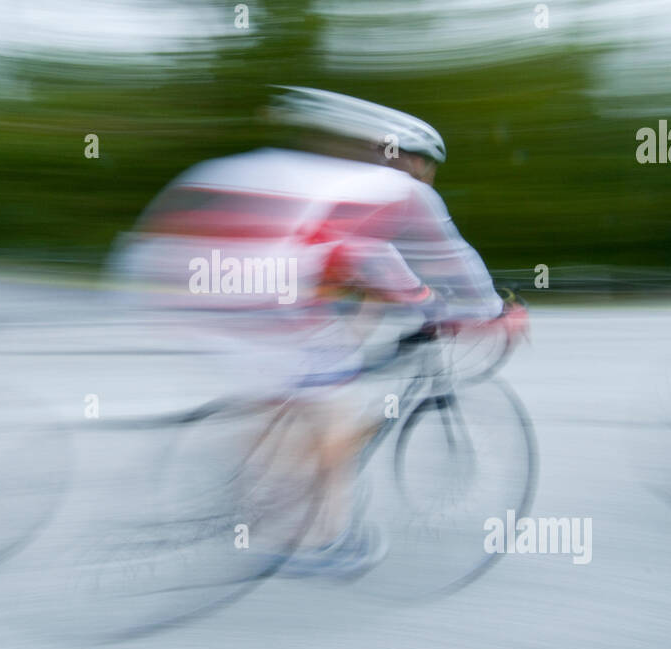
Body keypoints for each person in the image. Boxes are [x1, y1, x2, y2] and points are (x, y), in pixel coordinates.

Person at [111, 86, 525, 576]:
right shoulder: (403, 190)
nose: (429, 176)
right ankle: (320, 541)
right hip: (259, 289)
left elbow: (368, 259)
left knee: (285, 389)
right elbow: (449, 259)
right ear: (413, 160)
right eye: (429, 165)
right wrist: (491, 312)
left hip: (163, 277)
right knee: (333, 407)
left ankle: (255, 494)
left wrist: (415, 304)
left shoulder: (306, 174)